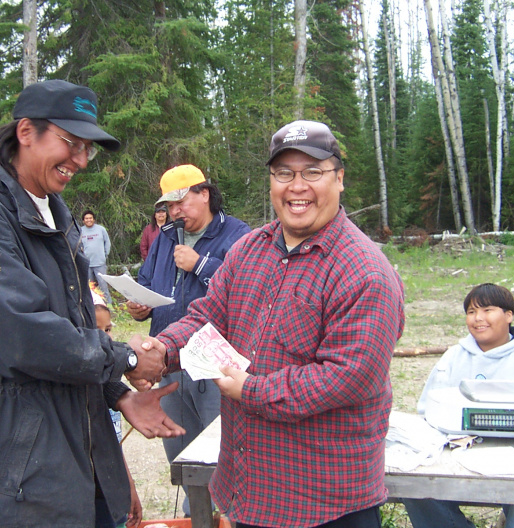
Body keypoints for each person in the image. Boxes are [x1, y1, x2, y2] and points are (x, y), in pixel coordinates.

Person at [0, 79, 183, 528]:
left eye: (88, 149)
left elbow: (71, 339)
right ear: (25, 132)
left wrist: (117, 396)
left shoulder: (53, 215)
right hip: (6, 478)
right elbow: (27, 336)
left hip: (66, 468)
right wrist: (129, 358)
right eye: (70, 143)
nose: (79, 160)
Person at [130, 120, 405, 528]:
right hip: (251, 493)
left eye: (313, 172)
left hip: (324, 503)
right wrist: (164, 350)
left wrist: (252, 390)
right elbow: (209, 316)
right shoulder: (250, 249)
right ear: (272, 181)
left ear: (339, 178)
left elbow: (348, 377)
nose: (297, 186)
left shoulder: (364, 271)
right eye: (284, 173)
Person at [126, 163, 251, 516]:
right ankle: (193, 516)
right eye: (169, 206)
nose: (175, 212)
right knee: (181, 453)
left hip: (216, 365)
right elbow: (149, 282)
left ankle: (229, 517)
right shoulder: (165, 238)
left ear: (205, 193)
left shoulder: (240, 236)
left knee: (220, 453)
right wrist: (140, 307)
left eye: (182, 202)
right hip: (169, 361)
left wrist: (200, 265)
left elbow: (244, 295)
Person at [403, 284, 514, 528]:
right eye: (471, 312)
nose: (478, 319)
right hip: (457, 451)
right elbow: (427, 408)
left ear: (508, 315)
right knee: (414, 485)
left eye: (487, 310)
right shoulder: (454, 356)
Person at [94, 300, 143, 528]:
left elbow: (112, 444)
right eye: (97, 331)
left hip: (109, 485)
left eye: (108, 330)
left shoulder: (108, 382)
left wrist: (128, 485)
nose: (106, 339)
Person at [80, 209, 112, 304]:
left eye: (90, 218)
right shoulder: (80, 230)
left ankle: (108, 305)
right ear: (83, 220)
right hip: (86, 264)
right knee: (89, 287)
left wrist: (105, 255)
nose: (88, 220)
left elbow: (107, 243)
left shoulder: (101, 229)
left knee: (103, 285)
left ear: (94, 219)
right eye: (86, 218)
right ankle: (93, 305)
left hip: (100, 263)